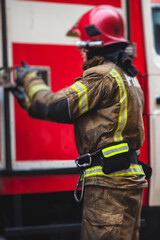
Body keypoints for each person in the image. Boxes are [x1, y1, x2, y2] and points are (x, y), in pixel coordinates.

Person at [12, 5, 149, 240]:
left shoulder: (101, 75)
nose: (80, 50)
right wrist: (29, 105)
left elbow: (57, 106)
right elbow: (82, 116)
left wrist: (30, 80)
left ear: (95, 45)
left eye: (82, 44)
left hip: (108, 184)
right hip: (128, 180)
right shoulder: (127, 76)